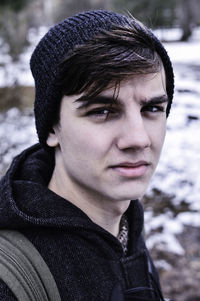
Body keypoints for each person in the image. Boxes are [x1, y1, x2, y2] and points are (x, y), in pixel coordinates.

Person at [0, 9, 174, 301]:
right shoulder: (12, 279)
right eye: (103, 111)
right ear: (52, 128)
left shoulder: (129, 228)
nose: (138, 139)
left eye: (152, 109)